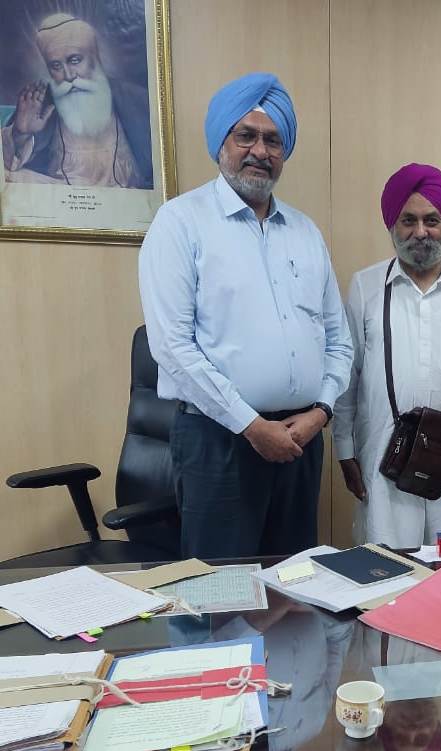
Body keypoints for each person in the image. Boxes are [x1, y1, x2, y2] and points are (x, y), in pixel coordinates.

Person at [139, 72, 351, 559]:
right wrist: (252, 426)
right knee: (222, 588)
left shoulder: (305, 232)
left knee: (295, 582)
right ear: (221, 143)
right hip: (220, 440)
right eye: (246, 136)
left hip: (301, 441)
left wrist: (320, 411)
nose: (260, 150)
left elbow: (338, 340)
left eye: (273, 140)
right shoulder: (180, 223)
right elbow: (172, 347)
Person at [333, 163, 441, 548]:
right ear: (392, 225)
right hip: (383, 457)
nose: (420, 232)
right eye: (408, 220)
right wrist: (345, 450)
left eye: (431, 220)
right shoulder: (366, 285)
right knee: (386, 565)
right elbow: (348, 375)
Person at [2, 13, 152, 188]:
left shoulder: (135, 98)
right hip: (60, 198)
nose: (68, 75)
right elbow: (7, 164)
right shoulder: (42, 102)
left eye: (75, 60)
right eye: (56, 66)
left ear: (95, 57)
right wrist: (20, 133)